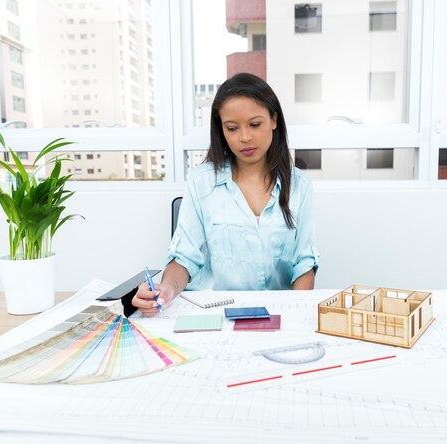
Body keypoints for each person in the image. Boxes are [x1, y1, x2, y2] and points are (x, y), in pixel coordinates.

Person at [128, 73, 319, 317]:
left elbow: (304, 264)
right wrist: (166, 289)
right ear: (221, 129)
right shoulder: (201, 181)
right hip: (215, 313)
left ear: (274, 120)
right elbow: (184, 259)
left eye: (255, 124)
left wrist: (296, 316)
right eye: (232, 128)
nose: (245, 137)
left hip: (275, 314)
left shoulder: (300, 185)